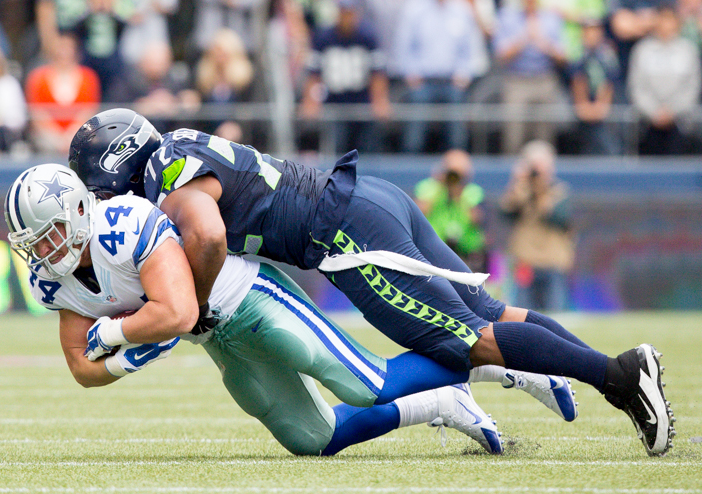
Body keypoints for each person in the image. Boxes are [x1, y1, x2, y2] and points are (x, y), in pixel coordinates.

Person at [68, 108, 676, 456]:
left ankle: (619, 376)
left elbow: (207, 237)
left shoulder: (165, 172)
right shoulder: (174, 147)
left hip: (345, 235)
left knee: (468, 341)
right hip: (365, 200)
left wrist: (193, 301)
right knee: (493, 313)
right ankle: (569, 367)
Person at [4, 164, 581, 456]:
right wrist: (125, 359)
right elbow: (81, 366)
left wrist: (118, 331)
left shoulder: (122, 225)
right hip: (217, 337)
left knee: (366, 384)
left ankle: (499, 362)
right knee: (315, 439)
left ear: (81, 209)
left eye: (50, 234)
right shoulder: (51, 279)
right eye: (35, 243)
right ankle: (439, 401)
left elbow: (177, 312)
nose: (45, 251)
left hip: (247, 299)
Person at [299, 0, 391, 154]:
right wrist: (310, 101)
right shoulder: (324, 37)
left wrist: (380, 100)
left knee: (366, 150)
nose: (347, 16)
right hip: (334, 102)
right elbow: (314, 74)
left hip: (362, 103)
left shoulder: (368, 36)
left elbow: (378, 73)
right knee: (337, 149)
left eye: (350, 12)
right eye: (344, 11)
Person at [498, 141, 574, 311]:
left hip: (552, 261)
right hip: (525, 260)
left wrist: (541, 190)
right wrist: (517, 183)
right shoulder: (520, 191)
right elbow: (505, 213)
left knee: (556, 311)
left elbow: (558, 218)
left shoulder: (560, 191)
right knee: (521, 311)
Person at [394, 0, 476, 152]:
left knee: (457, 135)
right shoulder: (414, 10)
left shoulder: (461, 10)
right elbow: (404, 47)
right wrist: (411, 73)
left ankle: (456, 167)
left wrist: (464, 73)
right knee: (415, 134)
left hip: (452, 81)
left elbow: (469, 49)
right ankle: (410, 163)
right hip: (422, 81)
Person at [493, 0, 567, 154]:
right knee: (514, 134)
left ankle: (544, 174)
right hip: (516, 80)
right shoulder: (507, 16)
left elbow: (563, 57)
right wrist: (525, 38)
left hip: (545, 79)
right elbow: (501, 55)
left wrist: (544, 44)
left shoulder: (552, 18)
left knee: (544, 135)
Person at [627, 3, 701, 155]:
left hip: (681, 124)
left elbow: (692, 86)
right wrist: (654, 112)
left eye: (670, 19)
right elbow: (636, 86)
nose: (666, 24)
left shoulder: (688, 50)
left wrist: (673, 111)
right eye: (662, 19)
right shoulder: (642, 50)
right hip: (648, 125)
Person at [25, 30, 101, 155]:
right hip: (46, 142)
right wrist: (56, 140)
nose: (63, 52)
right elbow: (36, 112)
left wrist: (72, 137)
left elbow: (90, 110)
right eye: (60, 47)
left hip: (80, 140)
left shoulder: (89, 77)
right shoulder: (37, 77)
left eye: (68, 47)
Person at [413, 150, 486, 273]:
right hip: (433, 251)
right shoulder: (429, 187)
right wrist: (439, 187)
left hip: (464, 251)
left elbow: (477, 219)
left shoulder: (472, 191)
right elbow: (418, 213)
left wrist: (459, 195)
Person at [570, 17, 622, 156]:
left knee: (608, 143)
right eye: (588, 31)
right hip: (582, 106)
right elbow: (577, 80)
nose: (591, 35)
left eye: (595, 31)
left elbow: (609, 83)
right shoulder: (578, 54)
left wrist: (601, 106)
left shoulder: (608, 55)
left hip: (605, 107)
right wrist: (583, 105)